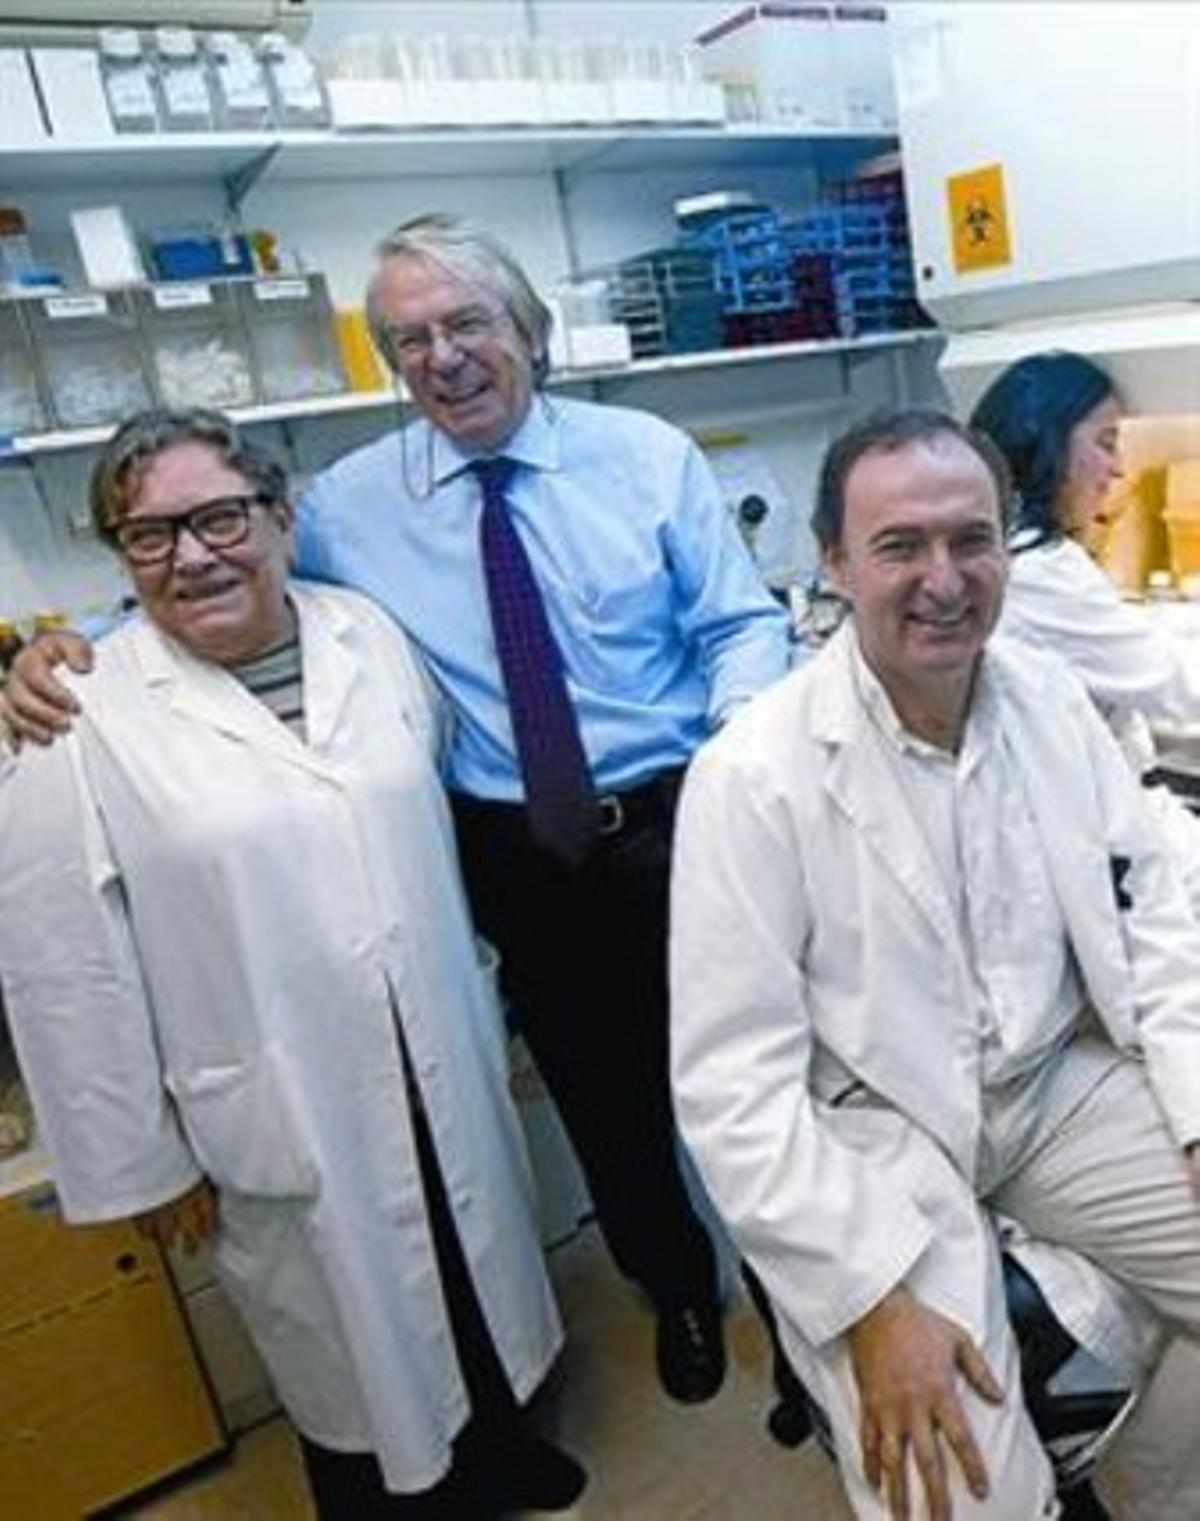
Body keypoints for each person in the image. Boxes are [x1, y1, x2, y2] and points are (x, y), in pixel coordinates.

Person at [0, 214, 792, 1403]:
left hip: (687, 818)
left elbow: (740, 625)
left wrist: (736, 761)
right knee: (604, 1100)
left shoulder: (646, 456)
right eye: (407, 339)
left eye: (467, 323)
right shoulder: (347, 504)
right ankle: (677, 1289)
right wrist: (70, 654)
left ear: (523, 328)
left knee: (763, 1075)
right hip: (521, 855)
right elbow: (219, 572)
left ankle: (805, 1319)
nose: (441, 358)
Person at [0, 408, 585, 1521]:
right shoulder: (74, 712)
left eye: (220, 517)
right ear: (121, 557)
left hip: (433, 1038)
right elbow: (61, 966)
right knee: (349, 1323)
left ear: (280, 516)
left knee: (474, 1260)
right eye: (150, 535)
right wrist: (144, 1162)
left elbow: (437, 794)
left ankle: (504, 1445)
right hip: (276, 1086)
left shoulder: (366, 635)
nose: (193, 554)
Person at [669, 409, 1200, 1520]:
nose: (944, 579)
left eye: (972, 540)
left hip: (1048, 1087)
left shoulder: (1047, 698)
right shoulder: (751, 776)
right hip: (874, 1126)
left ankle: (1148, 1487)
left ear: (1009, 545)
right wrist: (867, 1301)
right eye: (901, 547)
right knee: (954, 1485)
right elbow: (733, 1089)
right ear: (833, 562)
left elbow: (1153, 898)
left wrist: (1196, 1118)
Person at [970, 351, 1200, 782]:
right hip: (1078, 813)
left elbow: (1118, 634)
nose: (1118, 469)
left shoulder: (1014, 544)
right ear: (1047, 441)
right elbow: (1172, 681)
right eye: (1106, 443)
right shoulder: (1041, 568)